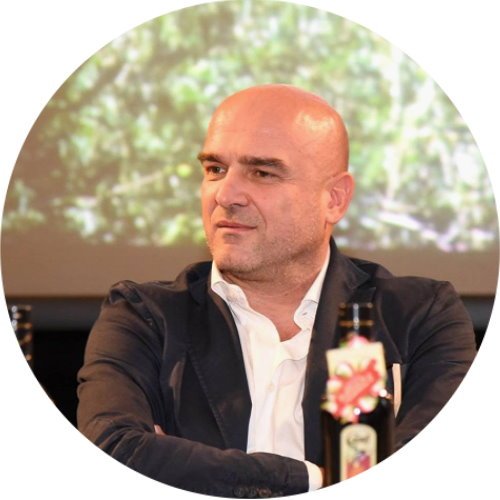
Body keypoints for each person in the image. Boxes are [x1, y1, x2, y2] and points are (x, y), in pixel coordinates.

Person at [77, 84, 476, 497]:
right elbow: (114, 452)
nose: (225, 195)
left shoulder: (418, 316)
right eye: (215, 169)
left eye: (262, 173)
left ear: (334, 199)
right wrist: (320, 478)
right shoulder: (145, 317)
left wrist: (179, 462)